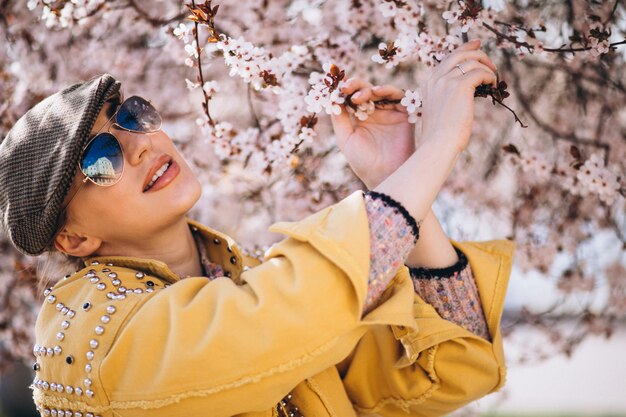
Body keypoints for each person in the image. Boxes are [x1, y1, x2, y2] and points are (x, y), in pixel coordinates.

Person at [0, 38, 515, 417]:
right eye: (101, 158)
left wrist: (398, 178)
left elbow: (444, 369)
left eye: (131, 117)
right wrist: (439, 145)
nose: (138, 145)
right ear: (73, 239)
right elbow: (276, 319)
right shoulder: (89, 334)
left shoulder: (246, 280)